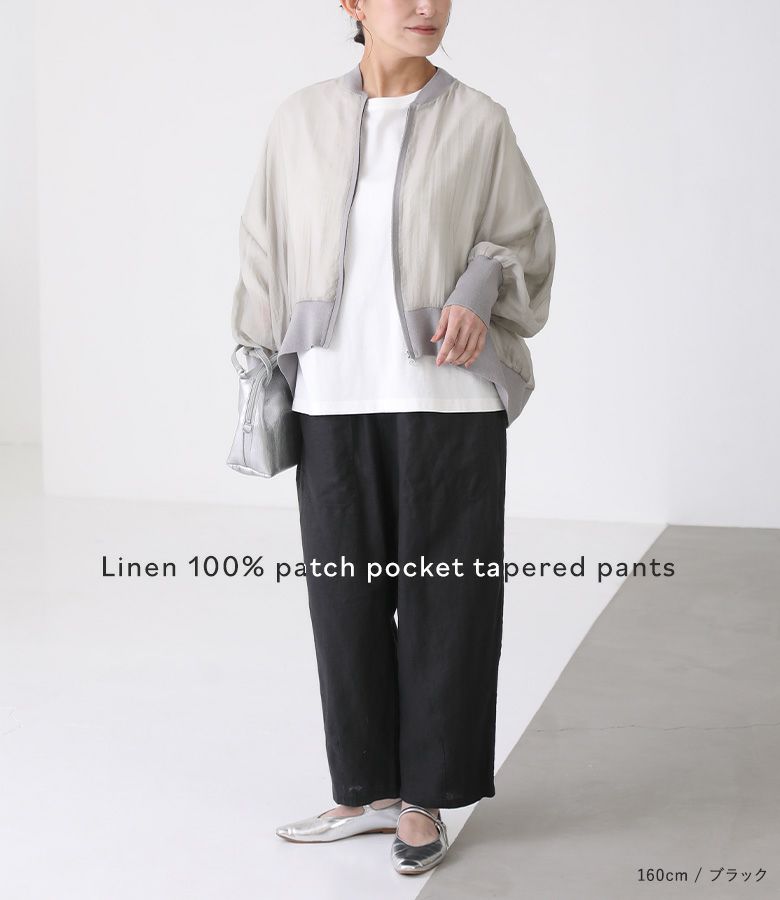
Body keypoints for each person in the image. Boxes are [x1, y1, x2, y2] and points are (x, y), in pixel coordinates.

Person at [231, 0, 556, 876]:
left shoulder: (479, 120)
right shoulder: (300, 119)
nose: (425, 8)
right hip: (331, 396)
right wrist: (259, 354)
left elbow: (523, 238)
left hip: (449, 400)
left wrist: (478, 289)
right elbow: (263, 244)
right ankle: (365, 789)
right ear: (352, 4)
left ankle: (425, 801)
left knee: (449, 608)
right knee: (344, 604)